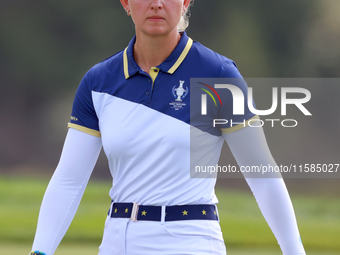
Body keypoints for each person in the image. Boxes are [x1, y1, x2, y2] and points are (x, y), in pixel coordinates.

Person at [29, 0, 307, 255]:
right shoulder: (98, 81)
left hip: (191, 240)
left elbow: (261, 174)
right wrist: (40, 251)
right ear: (126, 3)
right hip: (117, 241)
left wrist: (295, 252)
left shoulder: (218, 74)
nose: (157, 4)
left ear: (185, 2)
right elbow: (69, 179)